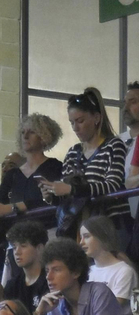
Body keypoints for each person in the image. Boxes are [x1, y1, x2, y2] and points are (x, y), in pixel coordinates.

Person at [42, 87, 129, 228]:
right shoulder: (73, 152)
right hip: (80, 226)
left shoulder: (114, 145)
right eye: (72, 122)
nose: (75, 128)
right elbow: (68, 195)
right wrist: (51, 195)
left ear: (96, 118)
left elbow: (113, 185)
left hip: (111, 225)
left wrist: (71, 189)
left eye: (80, 121)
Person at [82, 214, 137, 306]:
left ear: (102, 237)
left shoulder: (124, 271)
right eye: (81, 237)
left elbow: (110, 309)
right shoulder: (88, 271)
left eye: (86, 236)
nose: (81, 242)